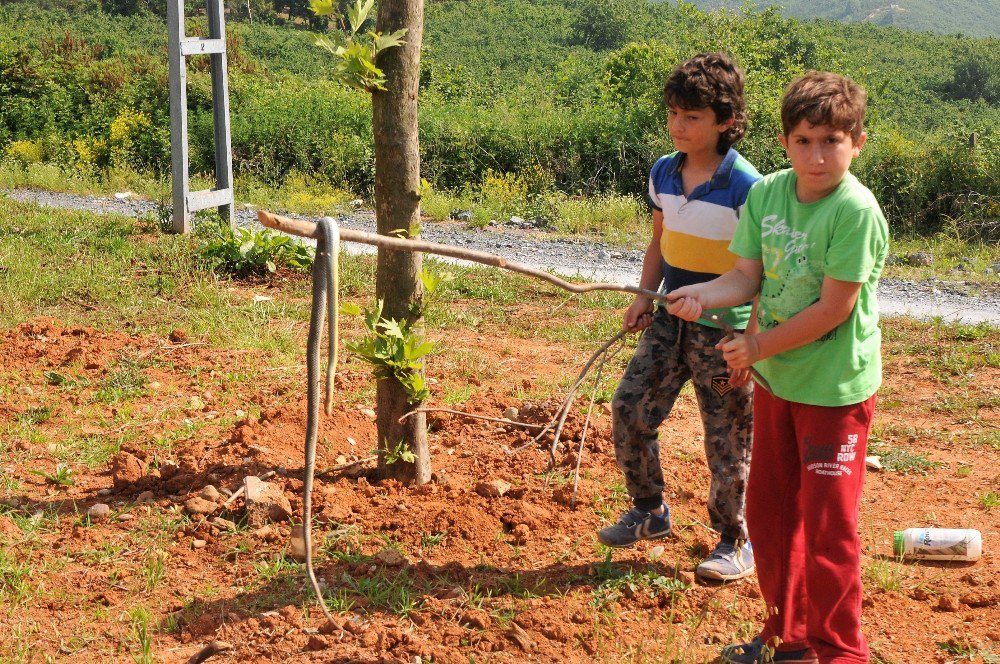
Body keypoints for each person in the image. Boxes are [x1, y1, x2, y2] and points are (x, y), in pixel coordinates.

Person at [667, 71, 888, 664]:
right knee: (769, 516)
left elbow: (833, 307)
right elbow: (746, 277)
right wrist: (702, 298)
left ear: (857, 142)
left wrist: (757, 347)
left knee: (827, 528)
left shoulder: (854, 211)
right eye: (804, 141)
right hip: (780, 386)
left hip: (834, 393)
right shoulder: (767, 194)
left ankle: (840, 652)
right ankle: (786, 639)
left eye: (832, 141)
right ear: (786, 142)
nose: (817, 156)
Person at [596, 52, 761, 583]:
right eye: (672, 114)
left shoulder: (747, 187)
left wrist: (750, 343)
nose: (678, 126)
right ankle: (649, 511)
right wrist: (646, 295)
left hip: (724, 332)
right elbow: (658, 242)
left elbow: (757, 274)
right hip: (671, 317)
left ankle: (736, 539)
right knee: (629, 408)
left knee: (726, 437)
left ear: (726, 120)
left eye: (692, 116)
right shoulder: (664, 172)